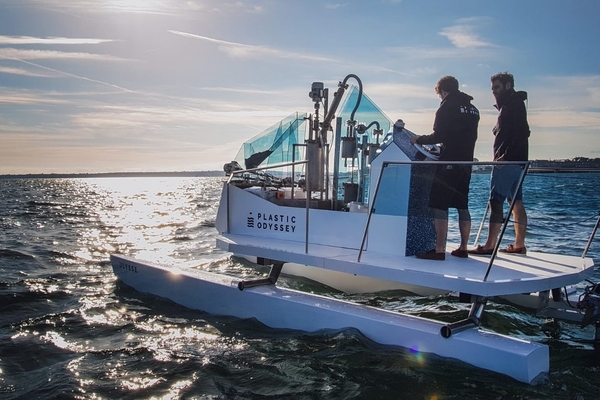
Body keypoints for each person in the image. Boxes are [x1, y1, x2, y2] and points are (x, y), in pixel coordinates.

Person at [410, 75, 479, 260]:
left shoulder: (446, 106)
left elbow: (438, 135)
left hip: (449, 162)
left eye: (439, 94)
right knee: (462, 205)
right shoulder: (473, 109)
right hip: (466, 163)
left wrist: (419, 139)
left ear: (443, 91)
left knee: (439, 205)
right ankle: (463, 247)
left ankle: (439, 250)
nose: (439, 97)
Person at [469, 72, 530, 256]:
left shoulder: (513, 105)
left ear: (508, 85)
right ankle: (519, 245)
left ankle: (489, 245)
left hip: (507, 163)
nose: (494, 92)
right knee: (516, 202)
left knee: (495, 202)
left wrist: (505, 156)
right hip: (516, 162)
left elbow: (523, 132)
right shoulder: (512, 105)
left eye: (497, 87)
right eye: (492, 89)